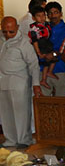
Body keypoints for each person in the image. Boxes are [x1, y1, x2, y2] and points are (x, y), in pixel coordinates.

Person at [0, 17, 41, 147]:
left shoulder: (24, 42)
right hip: (3, 81)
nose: (7, 34)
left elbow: (34, 64)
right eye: (4, 31)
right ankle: (10, 140)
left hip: (19, 82)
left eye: (11, 31)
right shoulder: (1, 39)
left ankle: (24, 140)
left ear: (17, 27)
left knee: (21, 113)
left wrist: (36, 84)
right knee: (6, 113)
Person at [43, 1, 65, 97]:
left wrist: (54, 54)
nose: (53, 16)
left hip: (61, 68)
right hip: (43, 69)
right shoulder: (43, 29)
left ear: (61, 14)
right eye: (50, 13)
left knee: (61, 99)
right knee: (44, 100)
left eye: (56, 12)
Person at [28, 6, 57, 90]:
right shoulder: (34, 28)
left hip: (47, 43)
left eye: (43, 15)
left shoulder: (46, 24)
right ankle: (43, 79)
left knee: (54, 58)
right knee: (46, 62)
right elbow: (35, 41)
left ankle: (50, 72)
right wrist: (38, 52)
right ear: (33, 18)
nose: (41, 18)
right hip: (41, 45)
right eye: (38, 16)